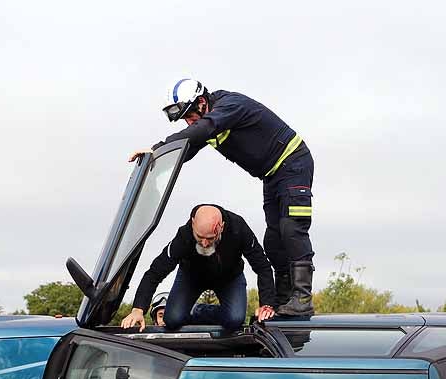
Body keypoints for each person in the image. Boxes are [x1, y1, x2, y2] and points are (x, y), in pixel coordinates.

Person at [129, 79, 316, 317]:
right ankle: (282, 300)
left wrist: (158, 147)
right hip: (271, 175)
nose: (189, 122)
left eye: (189, 116)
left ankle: (302, 298)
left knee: (291, 228)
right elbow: (187, 148)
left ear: (202, 102)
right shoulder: (208, 121)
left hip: (293, 164)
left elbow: (200, 131)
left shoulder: (229, 106)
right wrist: (155, 164)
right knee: (273, 238)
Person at [120, 204, 276, 332]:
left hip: (229, 278)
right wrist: (138, 309)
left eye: (210, 238)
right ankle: (189, 309)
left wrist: (267, 303)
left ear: (221, 226)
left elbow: (262, 266)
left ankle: (199, 310)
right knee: (172, 320)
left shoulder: (238, 228)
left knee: (235, 320)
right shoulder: (183, 236)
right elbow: (155, 272)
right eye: (200, 237)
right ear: (193, 222)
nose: (205, 243)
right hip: (191, 278)